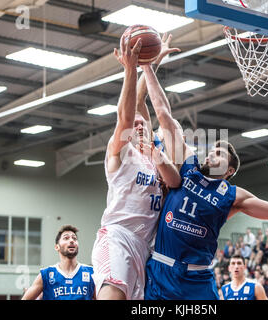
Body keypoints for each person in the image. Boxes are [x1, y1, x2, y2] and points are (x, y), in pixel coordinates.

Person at [140, 63, 268, 300]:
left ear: (229, 170)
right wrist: (147, 66)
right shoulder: (188, 166)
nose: (211, 154)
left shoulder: (233, 195)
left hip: (197, 279)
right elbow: (164, 114)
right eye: (212, 150)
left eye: (219, 154)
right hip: (162, 270)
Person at [90, 34, 181, 300]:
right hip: (117, 237)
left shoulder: (157, 160)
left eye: (145, 124)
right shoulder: (120, 151)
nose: (139, 126)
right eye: (136, 126)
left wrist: (152, 63)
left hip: (146, 248)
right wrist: (131, 70)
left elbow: (174, 182)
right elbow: (127, 115)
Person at [22, 225, 95, 300]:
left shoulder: (91, 272)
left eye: (74, 238)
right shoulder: (46, 274)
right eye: (66, 238)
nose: (71, 240)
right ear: (57, 247)